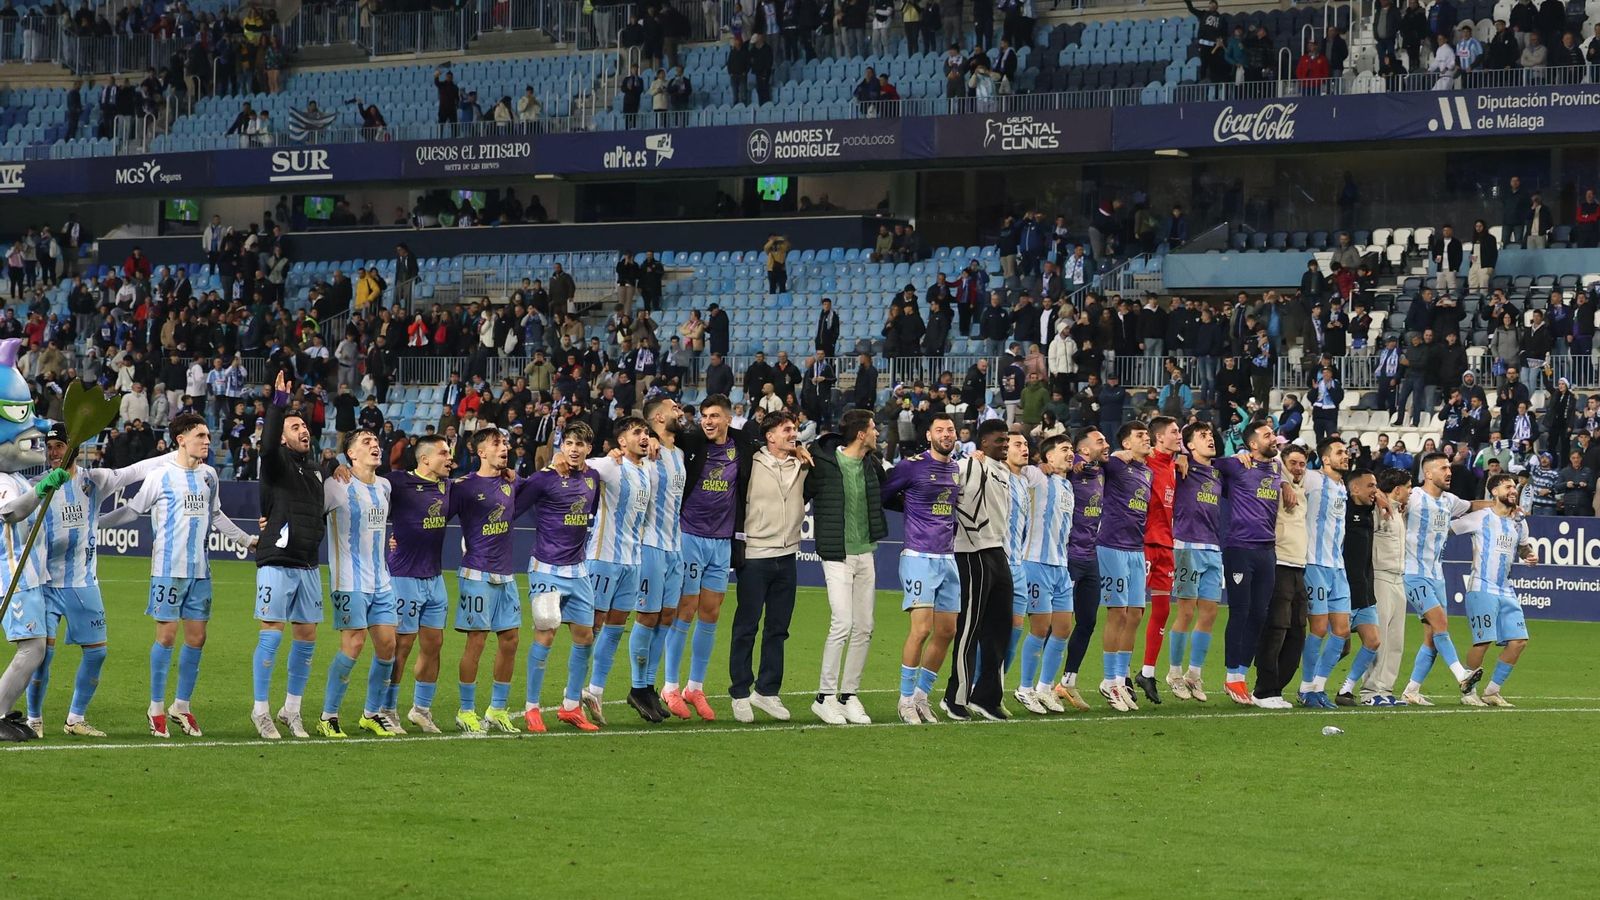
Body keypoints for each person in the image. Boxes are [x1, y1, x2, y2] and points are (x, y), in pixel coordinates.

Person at [30, 429, 188, 737]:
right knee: (41, 656)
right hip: (46, 583)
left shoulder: (94, 480)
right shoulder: (37, 486)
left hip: (83, 583)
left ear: (74, 447)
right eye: (49, 447)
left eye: (59, 445)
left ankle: (75, 719)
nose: (53, 452)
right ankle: (34, 719)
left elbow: (136, 471)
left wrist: (181, 452)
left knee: (97, 653)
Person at [248, 372, 332, 740]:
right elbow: (266, 447)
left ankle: (291, 709)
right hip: (277, 561)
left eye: (304, 426)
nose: (303, 431)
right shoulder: (276, 462)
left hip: (308, 563)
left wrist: (337, 467)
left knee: (307, 635)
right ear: (282, 436)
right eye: (295, 427)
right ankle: (260, 710)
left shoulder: (315, 470)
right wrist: (278, 406)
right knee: (272, 633)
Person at [662, 394, 755, 721]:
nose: (708, 421)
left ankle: (695, 687)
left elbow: (768, 446)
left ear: (728, 418)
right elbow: (664, 436)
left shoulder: (742, 444)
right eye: (704, 415)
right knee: (685, 609)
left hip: (722, 541)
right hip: (689, 535)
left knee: (711, 612)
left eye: (714, 415)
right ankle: (670, 686)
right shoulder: (692, 440)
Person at [315, 430, 401, 738]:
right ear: (351, 454)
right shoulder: (336, 485)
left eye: (376, 442)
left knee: (388, 646)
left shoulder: (385, 486)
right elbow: (309, 511)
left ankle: (371, 714)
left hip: (381, 580)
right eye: (366, 442)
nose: (375, 445)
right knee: (354, 644)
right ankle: (328, 716)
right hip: (348, 580)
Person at [445, 427, 531, 734]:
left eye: (505, 443)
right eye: (497, 444)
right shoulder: (464, 486)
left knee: (511, 640)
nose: (504, 448)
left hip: (506, 574)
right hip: (476, 573)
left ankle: (497, 709)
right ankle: (466, 710)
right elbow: (436, 518)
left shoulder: (513, 481)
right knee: (477, 641)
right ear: (481, 452)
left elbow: (539, 487)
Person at [880, 412, 963, 724]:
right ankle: (904, 699)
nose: (946, 434)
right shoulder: (911, 466)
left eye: (950, 429)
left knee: (947, 631)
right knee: (922, 629)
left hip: (948, 558)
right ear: (929, 435)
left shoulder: (956, 468)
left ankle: (921, 696)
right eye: (940, 430)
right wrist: (910, 506)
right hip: (918, 556)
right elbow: (884, 495)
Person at [728, 412, 810, 723]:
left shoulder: (802, 463)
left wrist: (801, 449)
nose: (793, 434)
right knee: (746, 627)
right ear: (769, 436)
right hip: (755, 555)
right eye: (786, 429)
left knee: (778, 629)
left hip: (788, 556)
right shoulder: (750, 461)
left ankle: (767, 691)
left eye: (795, 429)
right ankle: (739, 693)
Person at [806, 409, 886, 726]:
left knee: (864, 627)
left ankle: (848, 695)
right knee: (842, 623)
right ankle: (825, 697)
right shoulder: (824, 463)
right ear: (861, 434)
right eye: (874, 428)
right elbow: (799, 493)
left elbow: (889, 492)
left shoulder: (871, 464)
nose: (878, 433)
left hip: (866, 553)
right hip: (836, 555)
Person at [522, 421, 603, 732]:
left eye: (580, 444)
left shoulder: (593, 478)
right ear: (561, 446)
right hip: (546, 569)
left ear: (588, 449)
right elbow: (513, 505)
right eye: (568, 443)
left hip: (578, 570)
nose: (573, 449)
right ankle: (531, 708)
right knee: (546, 634)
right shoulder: (545, 479)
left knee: (585, 637)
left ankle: (571, 706)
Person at [579, 416, 654, 725]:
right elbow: (577, 464)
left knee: (616, 626)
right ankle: (572, 692)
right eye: (637, 432)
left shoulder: (647, 468)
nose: (644, 436)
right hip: (604, 558)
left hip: (632, 561)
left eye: (646, 432)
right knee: (591, 627)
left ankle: (595, 692)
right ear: (622, 441)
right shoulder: (611, 465)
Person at [1401, 452, 1491, 705]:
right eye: (1443, 468)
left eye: (1449, 467)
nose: (1449, 472)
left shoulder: (1450, 501)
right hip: (1413, 573)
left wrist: (1497, 505)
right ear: (1428, 473)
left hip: (1437, 576)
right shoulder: (1413, 497)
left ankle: (1411, 690)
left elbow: (1471, 505)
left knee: (1432, 638)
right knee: (1440, 624)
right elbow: (1392, 502)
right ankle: (1462, 675)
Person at [383, 433, 456, 733]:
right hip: (404, 578)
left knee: (434, 644)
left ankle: (421, 709)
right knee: (401, 645)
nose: (450, 458)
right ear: (425, 458)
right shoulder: (398, 482)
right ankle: (386, 709)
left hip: (435, 578)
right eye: (444, 453)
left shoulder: (450, 487)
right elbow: (366, 496)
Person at [943, 417, 1014, 721]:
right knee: (969, 628)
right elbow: (947, 482)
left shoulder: (1004, 471)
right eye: (999, 440)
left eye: (1007, 439)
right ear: (983, 442)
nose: (1005, 444)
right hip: (972, 552)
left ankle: (986, 697)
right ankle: (955, 696)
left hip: (998, 551)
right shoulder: (969, 465)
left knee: (1000, 628)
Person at [1216, 420, 1290, 706]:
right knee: (1240, 611)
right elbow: (1209, 464)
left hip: (1267, 550)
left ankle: (1241, 675)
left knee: (1259, 614)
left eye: (1273, 434)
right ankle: (1231, 675)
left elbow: (1284, 476)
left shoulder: (1277, 467)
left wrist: (1286, 484)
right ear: (1252, 444)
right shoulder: (1237, 465)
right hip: (1240, 548)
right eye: (1267, 435)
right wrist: (1235, 456)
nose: (1274, 439)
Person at [1454, 472, 1534, 707]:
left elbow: (1523, 547)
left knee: (1519, 640)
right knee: (1483, 641)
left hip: (1506, 588)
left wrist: (1529, 554)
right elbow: (1448, 529)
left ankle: (1492, 691)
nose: (1513, 490)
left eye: (1514, 486)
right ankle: (1468, 692)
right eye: (1508, 486)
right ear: (1494, 492)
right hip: (1482, 586)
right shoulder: (1480, 517)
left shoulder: (1519, 521)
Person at [631, 397, 688, 721]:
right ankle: (637, 688)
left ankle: (649, 687)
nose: (679, 410)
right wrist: (646, 441)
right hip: (650, 545)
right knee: (647, 617)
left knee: (667, 617)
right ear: (657, 417)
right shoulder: (645, 453)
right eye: (673, 407)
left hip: (674, 546)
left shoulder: (678, 453)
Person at [1013, 434, 1076, 715]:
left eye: (1071, 449)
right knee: (1040, 628)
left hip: (1061, 566)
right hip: (1036, 563)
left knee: (1063, 629)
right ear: (1049, 456)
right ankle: (1024, 688)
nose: (1070, 453)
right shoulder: (1037, 477)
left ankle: (1044, 687)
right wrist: (1037, 466)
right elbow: (1016, 469)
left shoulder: (1068, 485)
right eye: (1064, 449)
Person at [1095, 421, 1153, 712]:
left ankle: (1120, 679)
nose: (1147, 438)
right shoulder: (1117, 465)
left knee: (1135, 615)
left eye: (1147, 435)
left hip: (1136, 549)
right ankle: (1108, 680)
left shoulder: (1147, 471)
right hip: (1112, 546)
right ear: (1126, 443)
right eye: (1140, 435)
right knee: (1117, 613)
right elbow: (1096, 459)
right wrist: (1117, 454)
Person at [1165, 421, 1223, 702]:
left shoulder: (1219, 472)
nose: (1209, 438)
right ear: (1189, 445)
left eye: (1210, 434)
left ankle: (1194, 673)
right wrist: (1179, 457)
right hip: (1186, 545)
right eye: (1202, 436)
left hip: (1213, 547)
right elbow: (1161, 458)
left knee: (1210, 613)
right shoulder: (1181, 468)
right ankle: (1174, 672)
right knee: (1186, 612)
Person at [1295, 437, 1352, 709]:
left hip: (1338, 567)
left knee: (1341, 631)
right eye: (1340, 452)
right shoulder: (1313, 479)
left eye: (1346, 451)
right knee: (1318, 628)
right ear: (1325, 459)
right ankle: (1305, 688)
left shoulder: (1342, 487)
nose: (1346, 455)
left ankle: (1318, 687)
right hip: (1314, 564)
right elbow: (1286, 471)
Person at [1053, 427, 1107, 709]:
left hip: (1090, 556)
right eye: (1100, 441)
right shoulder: (1070, 469)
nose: (1106, 444)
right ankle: (1041, 684)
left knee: (1088, 621)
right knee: (1057, 623)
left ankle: (1067, 682)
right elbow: (1049, 464)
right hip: (1069, 556)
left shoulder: (1102, 470)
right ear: (1083, 449)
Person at [1255, 442, 1307, 710]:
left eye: (1302, 464)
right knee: (1276, 628)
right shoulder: (1274, 480)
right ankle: (1263, 690)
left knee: (1297, 632)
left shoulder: (1302, 487)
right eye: (1293, 463)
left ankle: (1276, 688)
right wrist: (1283, 481)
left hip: (1299, 566)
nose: (1298, 468)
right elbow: (1266, 460)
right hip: (1279, 562)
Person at [1135, 416, 1182, 705]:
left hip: (1166, 544)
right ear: (1159, 437)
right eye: (1175, 432)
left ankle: (1147, 673)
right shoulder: (1144, 461)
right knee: (1133, 611)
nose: (1179, 435)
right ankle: (1117, 677)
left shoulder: (1174, 465)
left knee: (1163, 609)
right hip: (1144, 543)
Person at [1331, 469, 1384, 705]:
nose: (1375, 490)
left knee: (1372, 641)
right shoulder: (1343, 510)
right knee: (1341, 648)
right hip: (1344, 589)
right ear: (1354, 488)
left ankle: (1346, 689)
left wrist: (1379, 496)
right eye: (1370, 485)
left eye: (1376, 486)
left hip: (1364, 589)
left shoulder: (1370, 510)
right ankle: (1311, 685)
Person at [1362, 468, 1412, 704]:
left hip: (1399, 578)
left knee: (1395, 641)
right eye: (1408, 487)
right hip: (1380, 576)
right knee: (1379, 637)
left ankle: (1385, 690)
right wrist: (1379, 497)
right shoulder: (1377, 509)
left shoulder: (1400, 511)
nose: (1411, 492)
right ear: (1398, 489)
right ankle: (1370, 691)